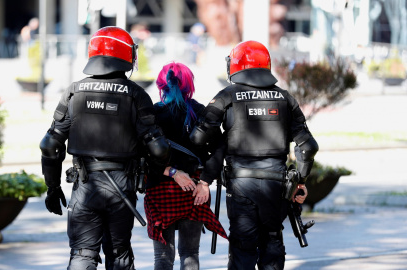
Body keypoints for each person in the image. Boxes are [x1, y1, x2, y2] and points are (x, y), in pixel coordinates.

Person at [39, 26, 171, 270]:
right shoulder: (136, 94)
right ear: (127, 55)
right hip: (122, 186)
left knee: (82, 254)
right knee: (119, 254)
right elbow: (159, 150)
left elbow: (49, 145)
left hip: (85, 185)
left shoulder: (74, 91)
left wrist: (52, 187)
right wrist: (148, 180)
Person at [190, 40, 319, 270]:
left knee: (243, 249)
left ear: (236, 65)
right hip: (277, 187)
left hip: (241, 186)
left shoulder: (226, 96)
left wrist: (218, 150)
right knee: (272, 243)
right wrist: (299, 181)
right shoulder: (285, 98)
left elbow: (198, 138)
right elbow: (307, 147)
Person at [143, 61, 227, 270]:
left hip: (160, 190)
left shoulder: (152, 115)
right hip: (195, 191)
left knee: (162, 257)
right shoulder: (201, 112)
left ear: (161, 85)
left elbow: (139, 153)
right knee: (190, 254)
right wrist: (205, 183)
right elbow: (219, 149)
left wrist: (170, 171)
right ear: (189, 85)